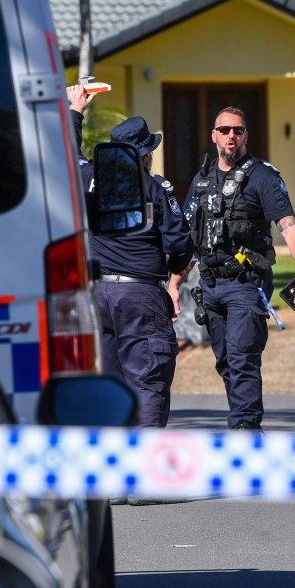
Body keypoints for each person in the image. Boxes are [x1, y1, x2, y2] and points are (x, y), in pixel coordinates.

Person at [66, 85, 194, 431]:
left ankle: (112, 466)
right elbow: (181, 244)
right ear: (143, 154)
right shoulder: (155, 187)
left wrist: (75, 112)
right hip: (140, 298)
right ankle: (143, 463)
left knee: (110, 386)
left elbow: (64, 157)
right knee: (148, 381)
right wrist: (175, 272)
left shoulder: (86, 178)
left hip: (98, 296)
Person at [183, 106, 295, 430]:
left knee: (243, 358)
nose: (232, 136)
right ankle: (244, 423)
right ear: (214, 135)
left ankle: (244, 430)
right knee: (226, 361)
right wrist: (174, 285)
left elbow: (289, 228)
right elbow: (188, 238)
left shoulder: (263, 176)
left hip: (246, 283)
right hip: (211, 286)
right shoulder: (202, 180)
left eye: (238, 130)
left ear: (246, 135)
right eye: (225, 130)